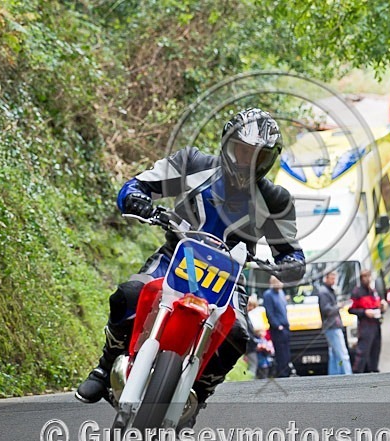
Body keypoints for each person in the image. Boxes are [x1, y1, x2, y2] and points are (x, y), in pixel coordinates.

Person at [76, 108, 306, 411]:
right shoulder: (192, 164)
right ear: (227, 144)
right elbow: (137, 185)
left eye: (258, 156)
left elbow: (291, 251)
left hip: (229, 279)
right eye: (242, 151)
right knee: (127, 295)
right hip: (174, 258)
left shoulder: (276, 200)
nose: (248, 161)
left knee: (237, 334)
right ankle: (105, 368)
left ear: (269, 160)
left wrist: (290, 265)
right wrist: (139, 200)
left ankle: (198, 392)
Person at [349, 270, 386, 373]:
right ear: (361, 278)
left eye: (368, 276)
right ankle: (358, 372)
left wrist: (382, 307)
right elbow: (351, 309)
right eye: (364, 276)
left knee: (375, 350)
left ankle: (373, 370)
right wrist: (365, 312)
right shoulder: (357, 292)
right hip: (365, 325)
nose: (367, 279)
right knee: (363, 351)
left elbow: (377, 303)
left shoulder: (373, 291)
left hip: (376, 324)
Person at [318, 271, 352, 375]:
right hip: (332, 326)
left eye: (335, 278)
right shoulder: (324, 292)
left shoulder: (328, 290)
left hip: (332, 326)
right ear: (326, 278)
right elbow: (326, 310)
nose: (334, 281)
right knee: (343, 354)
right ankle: (348, 375)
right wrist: (339, 306)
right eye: (332, 278)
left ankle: (334, 375)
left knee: (334, 354)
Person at [263, 276, 294, 378]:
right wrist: (277, 325)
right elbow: (270, 313)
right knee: (280, 354)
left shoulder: (281, 293)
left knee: (286, 353)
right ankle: (282, 375)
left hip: (285, 327)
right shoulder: (268, 295)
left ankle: (287, 372)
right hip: (277, 329)